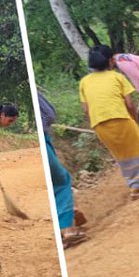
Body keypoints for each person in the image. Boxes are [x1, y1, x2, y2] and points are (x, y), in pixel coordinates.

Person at [80, 45, 139, 200]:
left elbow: (86, 110)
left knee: (121, 154)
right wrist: (135, 121)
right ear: (110, 61)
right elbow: (129, 104)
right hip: (121, 119)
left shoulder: (84, 82)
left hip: (99, 124)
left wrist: (96, 125)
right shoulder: (117, 77)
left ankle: (134, 186)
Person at [38, 90, 86, 249]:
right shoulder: (36, 95)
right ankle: (67, 229)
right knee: (62, 181)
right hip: (43, 140)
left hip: (44, 142)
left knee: (54, 184)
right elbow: (49, 115)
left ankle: (65, 218)